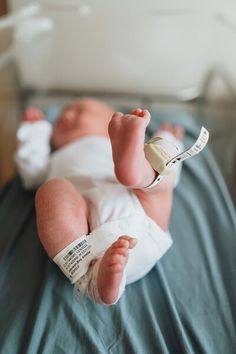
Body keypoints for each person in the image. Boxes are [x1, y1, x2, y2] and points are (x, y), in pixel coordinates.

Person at [15, 98, 185, 305]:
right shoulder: (55, 157)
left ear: (111, 126)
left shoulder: (106, 142)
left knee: (161, 176)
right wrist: (35, 133)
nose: (66, 116)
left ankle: (145, 164)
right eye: (60, 118)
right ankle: (93, 277)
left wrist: (167, 138)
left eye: (79, 110)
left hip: (139, 206)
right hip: (86, 235)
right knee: (50, 192)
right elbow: (31, 174)